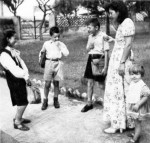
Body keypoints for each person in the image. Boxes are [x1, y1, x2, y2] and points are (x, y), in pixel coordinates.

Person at [103, 1, 135, 133]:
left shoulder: (127, 22)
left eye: (111, 13)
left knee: (118, 91)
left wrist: (121, 63)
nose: (109, 15)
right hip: (117, 60)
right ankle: (125, 122)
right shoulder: (123, 23)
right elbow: (122, 42)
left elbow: (128, 45)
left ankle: (117, 124)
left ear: (118, 11)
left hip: (120, 61)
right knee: (120, 90)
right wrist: (113, 40)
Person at [0, 29, 31, 131]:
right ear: (8, 39)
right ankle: (17, 122)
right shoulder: (4, 55)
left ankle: (19, 118)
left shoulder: (12, 51)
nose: (16, 39)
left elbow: (21, 63)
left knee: (23, 100)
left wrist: (26, 76)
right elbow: (15, 70)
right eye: (14, 38)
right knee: (22, 102)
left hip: (19, 79)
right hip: (14, 81)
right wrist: (25, 76)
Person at [81, 18, 109, 112]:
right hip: (91, 59)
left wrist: (105, 66)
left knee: (101, 85)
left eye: (89, 27)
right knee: (90, 83)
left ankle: (107, 106)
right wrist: (90, 45)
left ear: (96, 27)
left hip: (100, 60)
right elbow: (87, 49)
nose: (88, 29)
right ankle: (89, 103)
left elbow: (106, 52)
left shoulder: (104, 36)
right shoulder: (90, 36)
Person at [39, 26, 69, 110]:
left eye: (58, 36)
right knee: (47, 83)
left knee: (56, 83)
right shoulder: (46, 44)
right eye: (55, 37)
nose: (57, 38)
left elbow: (66, 54)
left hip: (58, 63)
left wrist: (60, 46)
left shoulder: (61, 44)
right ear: (50, 36)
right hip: (49, 63)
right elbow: (41, 52)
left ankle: (56, 100)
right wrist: (40, 61)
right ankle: (45, 100)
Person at [126, 63, 150, 143]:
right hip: (134, 106)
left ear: (141, 74)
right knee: (135, 122)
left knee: (138, 123)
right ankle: (136, 133)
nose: (134, 76)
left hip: (139, 107)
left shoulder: (142, 86)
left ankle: (135, 139)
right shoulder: (133, 83)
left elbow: (146, 97)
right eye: (132, 74)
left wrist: (138, 104)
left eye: (137, 74)